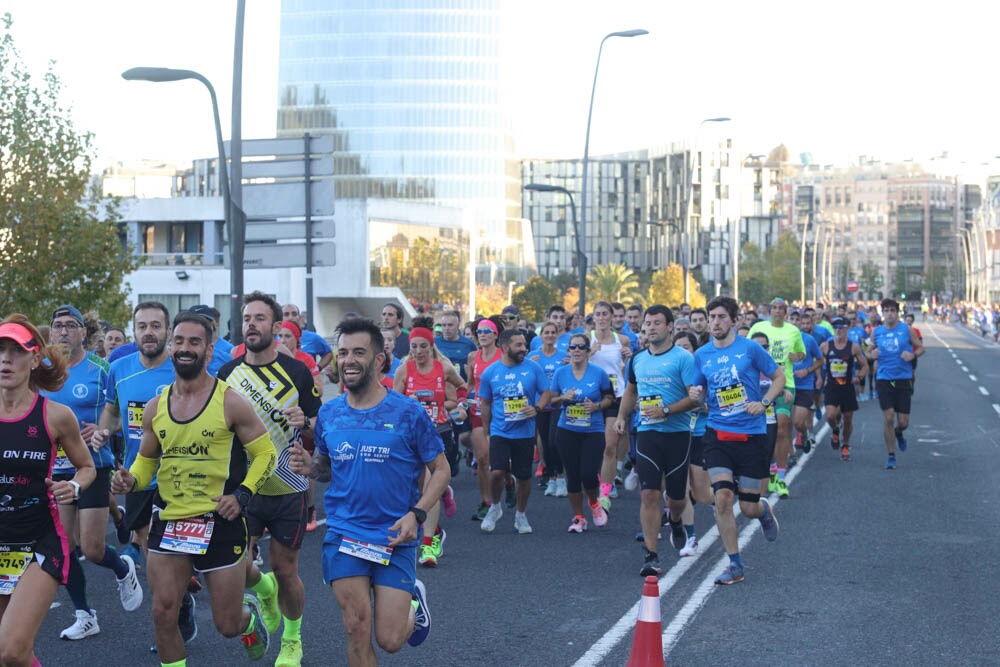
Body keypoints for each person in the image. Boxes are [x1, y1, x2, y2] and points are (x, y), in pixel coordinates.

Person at [111, 311, 279, 665]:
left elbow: (266, 454)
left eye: (194, 342)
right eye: (180, 341)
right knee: (162, 613)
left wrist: (242, 496)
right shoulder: (157, 406)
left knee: (228, 625)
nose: (185, 349)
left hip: (219, 519)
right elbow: (146, 461)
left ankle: (248, 616)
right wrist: (132, 478)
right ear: (171, 346)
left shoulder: (229, 401)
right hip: (171, 520)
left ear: (208, 349)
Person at [291, 317, 448, 665]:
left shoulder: (408, 413)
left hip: (395, 535)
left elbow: (441, 470)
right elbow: (326, 468)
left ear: (378, 360)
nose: (348, 360)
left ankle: (412, 601)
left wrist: (417, 514)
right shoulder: (329, 414)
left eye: (358, 352)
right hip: (346, 533)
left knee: (389, 640)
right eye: (343, 352)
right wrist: (309, 466)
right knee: (355, 627)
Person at [218, 292, 322, 667]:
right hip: (243, 488)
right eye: (247, 318)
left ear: (276, 327)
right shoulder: (227, 375)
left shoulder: (295, 372)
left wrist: (305, 423)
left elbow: (320, 423)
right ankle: (264, 591)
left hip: (287, 486)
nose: (251, 325)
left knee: (286, 569)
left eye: (260, 318)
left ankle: (292, 641)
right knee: (239, 568)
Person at [92, 302, 200, 644]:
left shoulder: (182, 369)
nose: (148, 332)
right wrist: (103, 431)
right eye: (142, 326)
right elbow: (111, 410)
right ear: (134, 330)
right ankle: (180, 607)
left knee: (168, 554)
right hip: (138, 475)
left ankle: (170, 621)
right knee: (154, 556)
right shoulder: (119, 368)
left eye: (156, 325)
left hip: (183, 477)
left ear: (168, 332)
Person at [42, 305, 143, 641]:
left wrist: (101, 430)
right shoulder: (41, 369)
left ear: (84, 332)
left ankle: (122, 567)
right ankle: (85, 615)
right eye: (59, 325)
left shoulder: (101, 369)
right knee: (66, 547)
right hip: (56, 470)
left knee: (94, 549)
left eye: (71, 325)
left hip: (93, 465)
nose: (64, 331)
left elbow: (117, 409)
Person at [0, 315, 96, 667]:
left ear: (35, 357)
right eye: (0, 350)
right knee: (12, 655)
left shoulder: (55, 415)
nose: (5, 359)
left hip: (41, 541)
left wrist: (71, 485)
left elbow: (87, 467)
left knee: (9, 651)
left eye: (16, 351)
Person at [689, 297, 783, 585]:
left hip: (752, 434)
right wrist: (696, 396)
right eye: (711, 317)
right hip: (718, 434)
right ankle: (735, 564)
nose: (714, 322)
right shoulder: (702, 355)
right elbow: (699, 392)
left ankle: (763, 510)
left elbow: (778, 377)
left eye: (720, 317)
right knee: (723, 498)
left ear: (732, 320)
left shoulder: (750, 348)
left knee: (748, 507)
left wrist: (764, 402)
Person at [614, 305, 697, 576]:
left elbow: (693, 399)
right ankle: (650, 554)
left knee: (676, 498)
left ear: (670, 327)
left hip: (677, 433)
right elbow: (630, 390)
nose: (650, 327)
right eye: (647, 323)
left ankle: (674, 520)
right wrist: (621, 417)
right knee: (648, 493)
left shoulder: (683, 358)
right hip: (648, 432)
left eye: (656, 323)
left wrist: (666, 410)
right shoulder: (638, 359)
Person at [394, 328, 465, 567]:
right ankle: (444, 492)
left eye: (423, 346)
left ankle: (428, 543)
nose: (418, 351)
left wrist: (450, 405)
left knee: (428, 487)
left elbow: (462, 388)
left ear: (431, 346)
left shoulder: (443, 368)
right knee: (416, 487)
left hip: (438, 432)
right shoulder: (404, 370)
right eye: (414, 346)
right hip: (413, 436)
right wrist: (409, 403)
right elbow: (394, 403)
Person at [477, 328, 550, 534]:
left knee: (524, 476)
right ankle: (495, 507)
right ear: (505, 347)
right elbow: (485, 403)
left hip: (525, 432)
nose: (524, 349)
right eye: (518, 345)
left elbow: (546, 392)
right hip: (500, 430)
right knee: (497, 471)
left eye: (524, 345)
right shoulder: (491, 372)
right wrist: (486, 431)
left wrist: (536, 408)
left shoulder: (533, 368)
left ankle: (521, 515)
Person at [545, 333, 613, 533]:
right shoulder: (561, 373)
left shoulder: (599, 373)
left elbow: (610, 398)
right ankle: (578, 517)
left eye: (581, 347)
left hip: (593, 430)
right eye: (573, 347)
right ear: (568, 351)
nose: (576, 350)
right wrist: (562, 398)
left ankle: (594, 502)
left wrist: (597, 406)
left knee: (588, 473)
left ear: (587, 351)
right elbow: (551, 400)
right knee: (573, 476)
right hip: (567, 430)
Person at [748, 298, 806, 498]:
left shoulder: (793, 331)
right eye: (775, 308)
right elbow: (746, 349)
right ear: (769, 310)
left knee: (782, 426)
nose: (778, 311)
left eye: (782, 309)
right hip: (757, 385)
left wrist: (796, 357)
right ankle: (770, 468)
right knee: (765, 432)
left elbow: (801, 354)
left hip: (784, 383)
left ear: (786, 313)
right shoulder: (758, 327)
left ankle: (780, 478)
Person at [868, 298, 924, 469]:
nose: (889, 313)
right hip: (884, 378)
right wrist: (872, 354)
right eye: (886, 310)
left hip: (902, 378)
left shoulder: (906, 330)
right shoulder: (876, 332)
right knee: (889, 417)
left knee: (903, 422)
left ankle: (899, 433)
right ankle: (891, 455)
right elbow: (868, 352)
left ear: (897, 312)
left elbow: (921, 348)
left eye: (892, 310)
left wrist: (913, 355)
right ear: (882, 313)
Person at [672, 330, 713, 558]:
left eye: (686, 347)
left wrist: (700, 405)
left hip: (699, 435)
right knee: (680, 489)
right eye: (677, 347)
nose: (681, 351)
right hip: (676, 434)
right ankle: (691, 537)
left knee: (702, 493)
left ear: (693, 350)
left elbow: (715, 405)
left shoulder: (702, 372)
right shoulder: (670, 372)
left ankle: (722, 499)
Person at [590, 301, 632, 510]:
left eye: (606, 314)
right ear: (594, 317)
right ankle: (599, 478)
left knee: (609, 445)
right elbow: (575, 364)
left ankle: (605, 491)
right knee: (595, 447)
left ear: (611, 317)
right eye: (598, 314)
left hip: (616, 395)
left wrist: (628, 358)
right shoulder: (586, 340)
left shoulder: (621, 340)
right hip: (592, 397)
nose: (602, 318)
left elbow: (624, 369)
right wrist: (590, 352)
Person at [466, 319, 502, 520]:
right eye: (480, 331)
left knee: (500, 461)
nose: (483, 334)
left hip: (501, 412)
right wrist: (463, 398)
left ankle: (509, 481)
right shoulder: (473, 356)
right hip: (479, 411)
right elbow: (470, 384)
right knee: (482, 458)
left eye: (487, 331)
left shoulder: (502, 356)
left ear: (496, 335)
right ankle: (486, 501)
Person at [821, 317, 869, 461]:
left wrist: (859, 376)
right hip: (831, 387)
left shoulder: (853, 347)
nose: (839, 330)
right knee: (830, 415)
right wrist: (820, 377)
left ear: (847, 328)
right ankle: (835, 430)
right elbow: (817, 362)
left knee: (848, 419)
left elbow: (865, 365)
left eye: (842, 327)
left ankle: (846, 444)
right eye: (836, 327)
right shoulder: (826, 346)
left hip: (847, 387)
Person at [530, 322, 566, 495]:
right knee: (545, 441)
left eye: (553, 332)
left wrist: (569, 364)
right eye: (547, 332)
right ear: (541, 336)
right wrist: (529, 363)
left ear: (557, 335)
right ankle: (551, 477)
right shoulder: (533, 356)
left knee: (554, 440)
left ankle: (560, 477)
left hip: (557, 404)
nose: (550, 335)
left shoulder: (564, 356)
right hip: (540, 404)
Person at [282, 304, 334, 376]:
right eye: (286, 314)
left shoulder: (313, 337)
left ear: (299, 318)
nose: (290, 317)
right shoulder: (274, 338)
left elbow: (328, 353)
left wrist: (317, 368)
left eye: (294, 314)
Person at [434, 311, 477, 381]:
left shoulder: (468, 344)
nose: (447, 328)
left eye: (450, 325)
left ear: (458, 325)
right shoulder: (434, 343)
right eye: (444, 325)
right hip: (440, 385)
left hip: (462, 386)